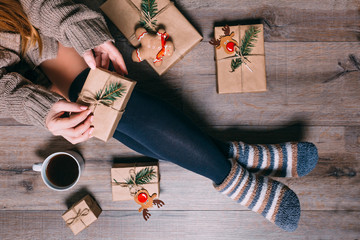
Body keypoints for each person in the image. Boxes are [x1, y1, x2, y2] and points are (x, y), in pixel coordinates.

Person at [0, 0, 318, 232]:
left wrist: (83, 32)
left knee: (101, 98)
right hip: (15, 65)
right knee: (99, 111)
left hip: (32, 29)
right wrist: (37, 108)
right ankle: (240, 161)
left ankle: (233, 176)